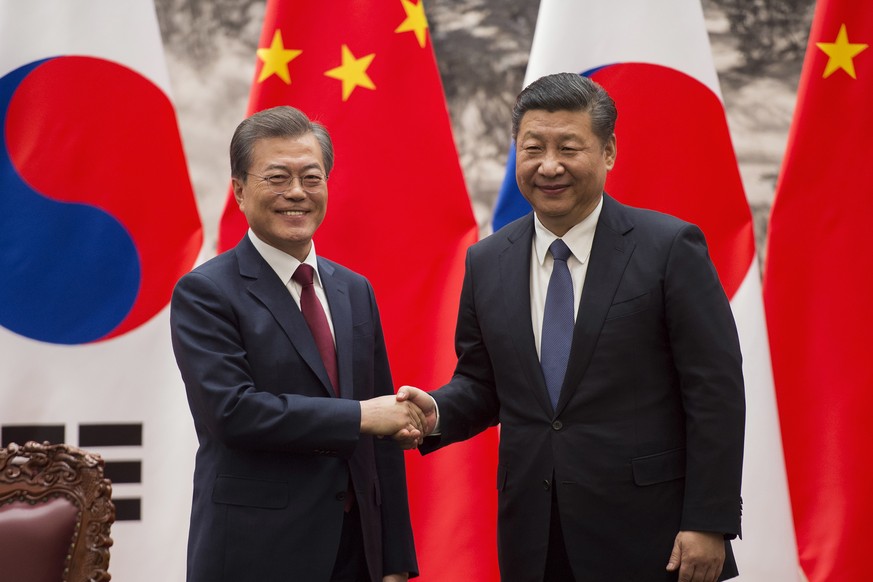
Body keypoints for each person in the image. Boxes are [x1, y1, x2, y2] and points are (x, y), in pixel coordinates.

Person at [398, 73, 745, 582]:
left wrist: (709, 521)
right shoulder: (487, 260)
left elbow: (714, 390)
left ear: (608, 152)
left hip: (654, 535)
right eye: (533, 148)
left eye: (569, 147)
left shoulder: (669, 248)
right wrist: (434, 412)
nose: (549, 165)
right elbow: (483, 384)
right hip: (534, 536)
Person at [171, 105, 422, 582]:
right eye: (277, 177)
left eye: (311, 177)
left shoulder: (354, 289)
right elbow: (233, 413)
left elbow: (384, 434)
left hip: (356, 554)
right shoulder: (206, 292)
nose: (296, 193)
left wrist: (393, 560)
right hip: (256, 552)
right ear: (240, 190)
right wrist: (361, 416)